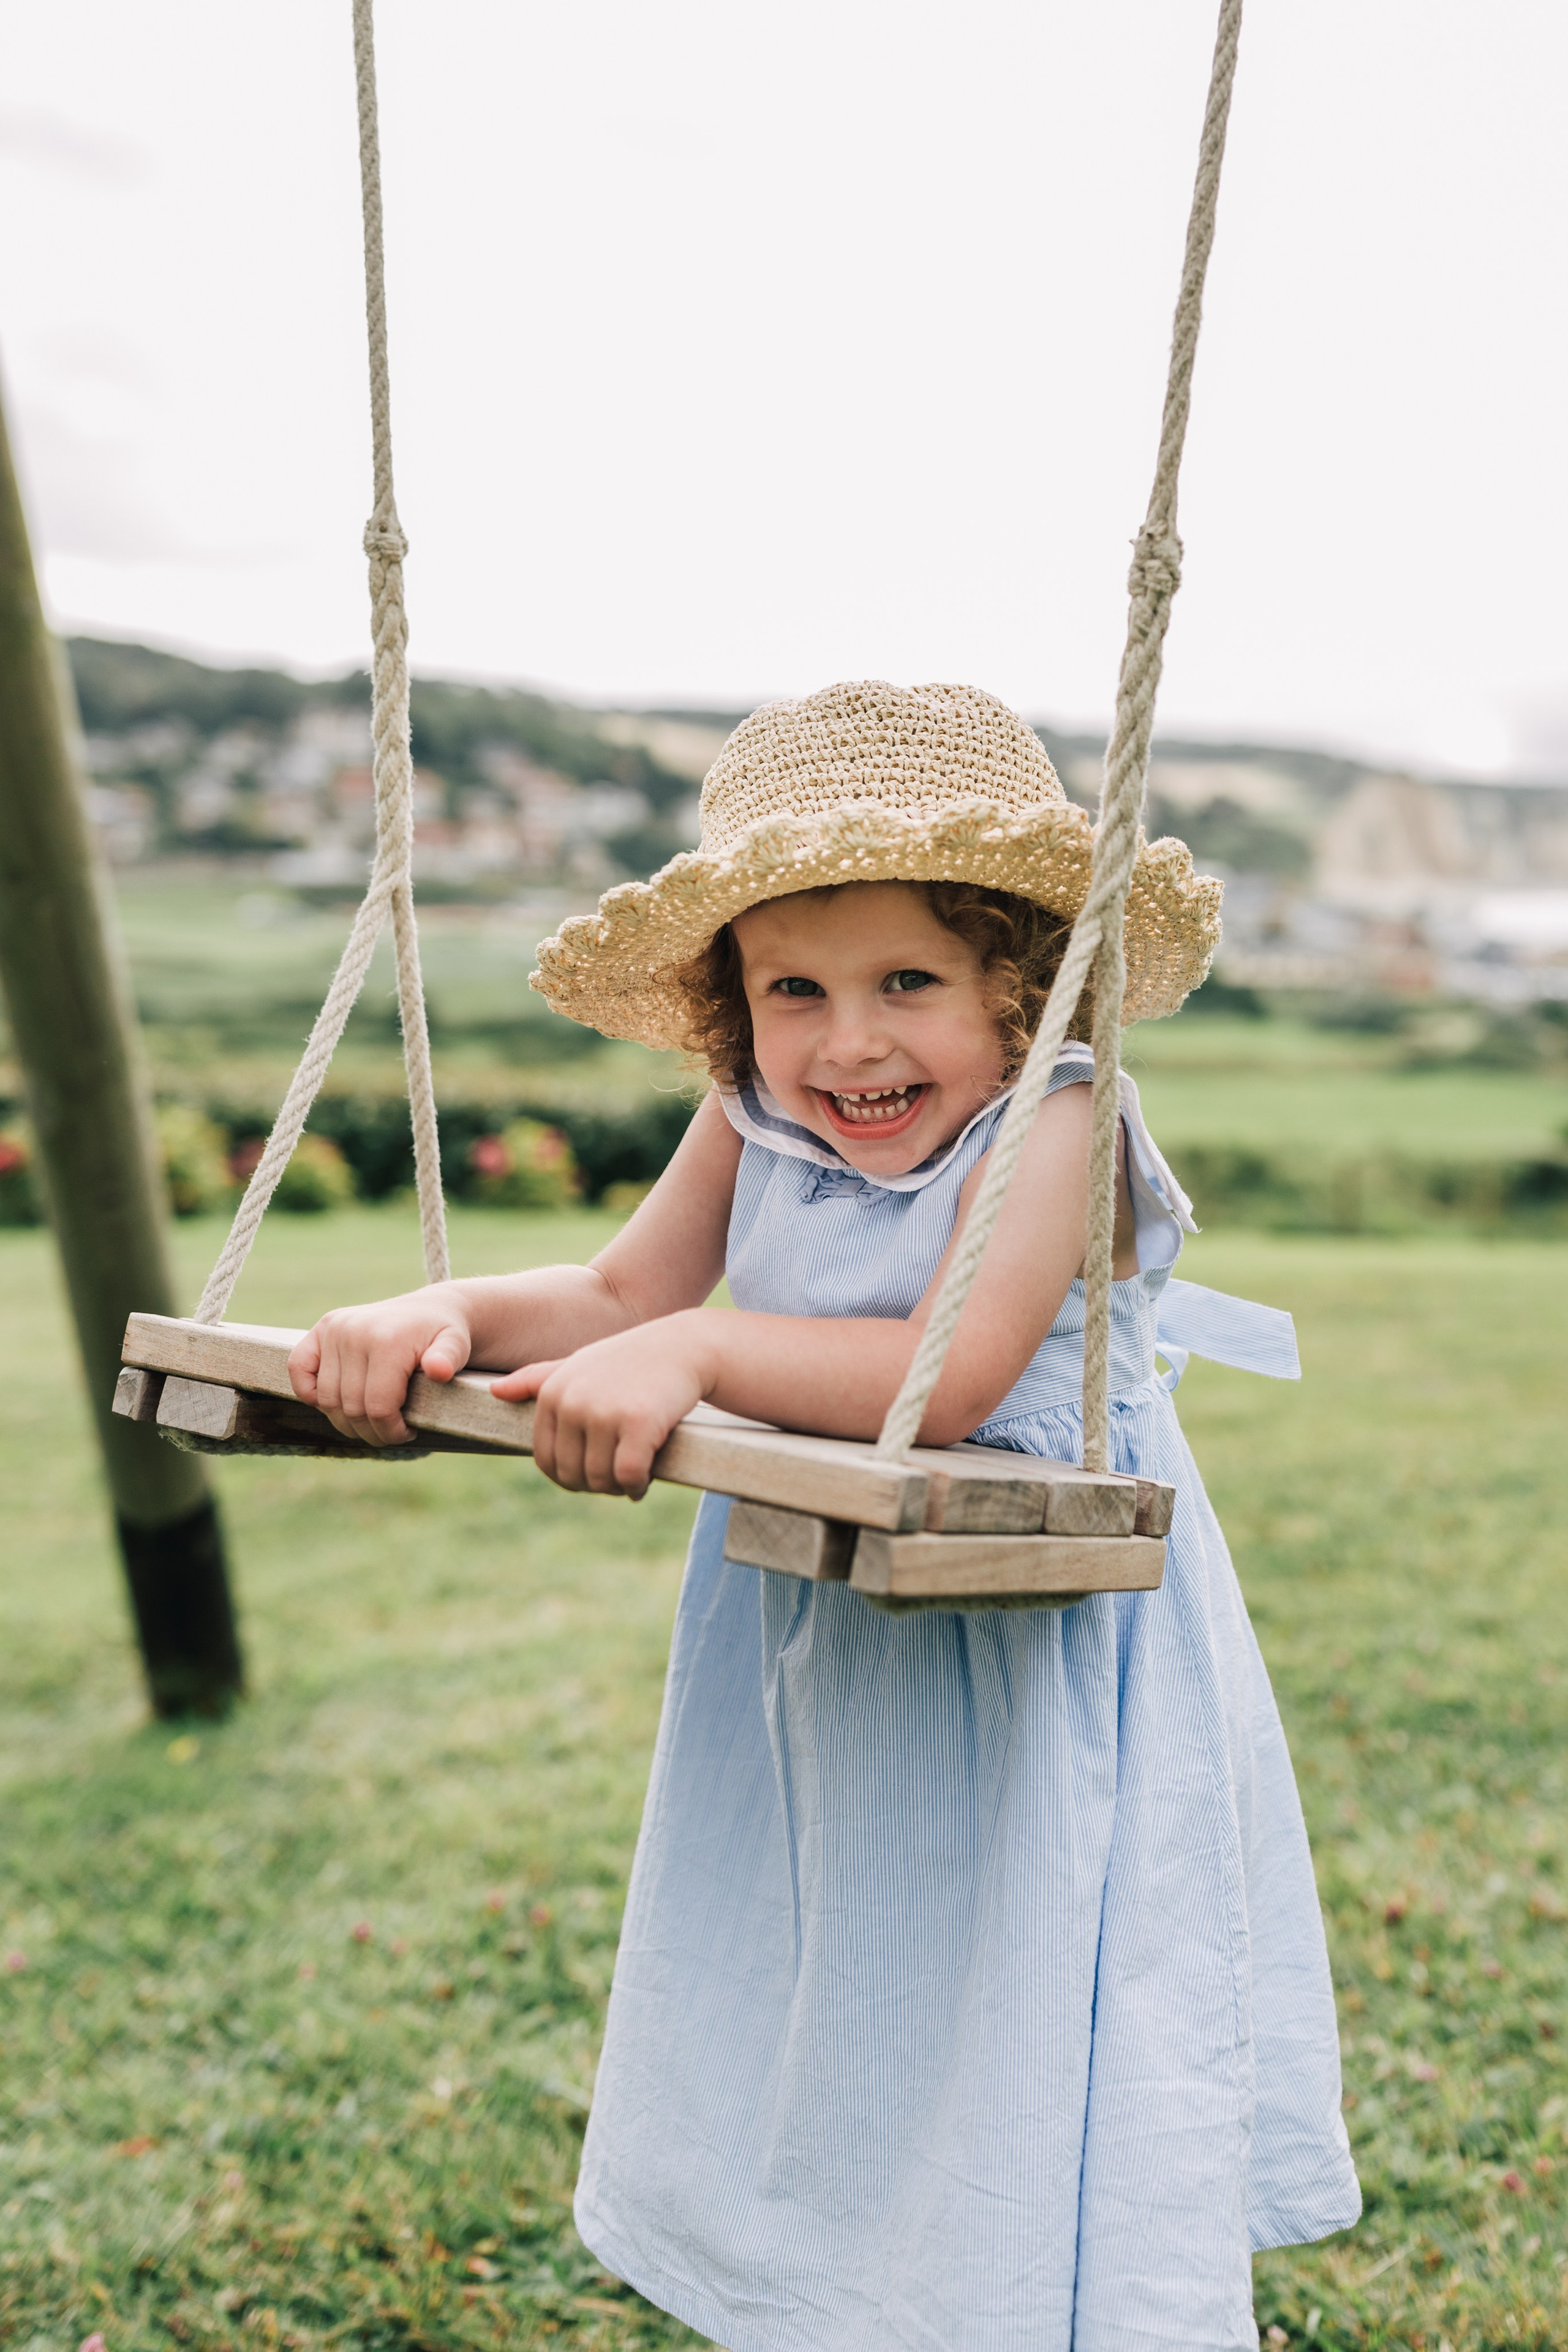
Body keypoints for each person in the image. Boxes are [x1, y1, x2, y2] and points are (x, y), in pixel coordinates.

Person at [288, 682, 1360, 2351]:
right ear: (734, 1008)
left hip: (1036, 1643)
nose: (847, 1042)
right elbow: (612, 1289)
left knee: (1009, 1978)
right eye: (796, 988)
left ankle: (1036, 2296)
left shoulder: (1061, 1117)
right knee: (846, 1989)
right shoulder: (754, 1122)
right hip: (824, 1630)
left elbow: (953, 1363)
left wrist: (701, 1346)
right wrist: (442, 1319)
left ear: (1021, 984)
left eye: (907, 983)